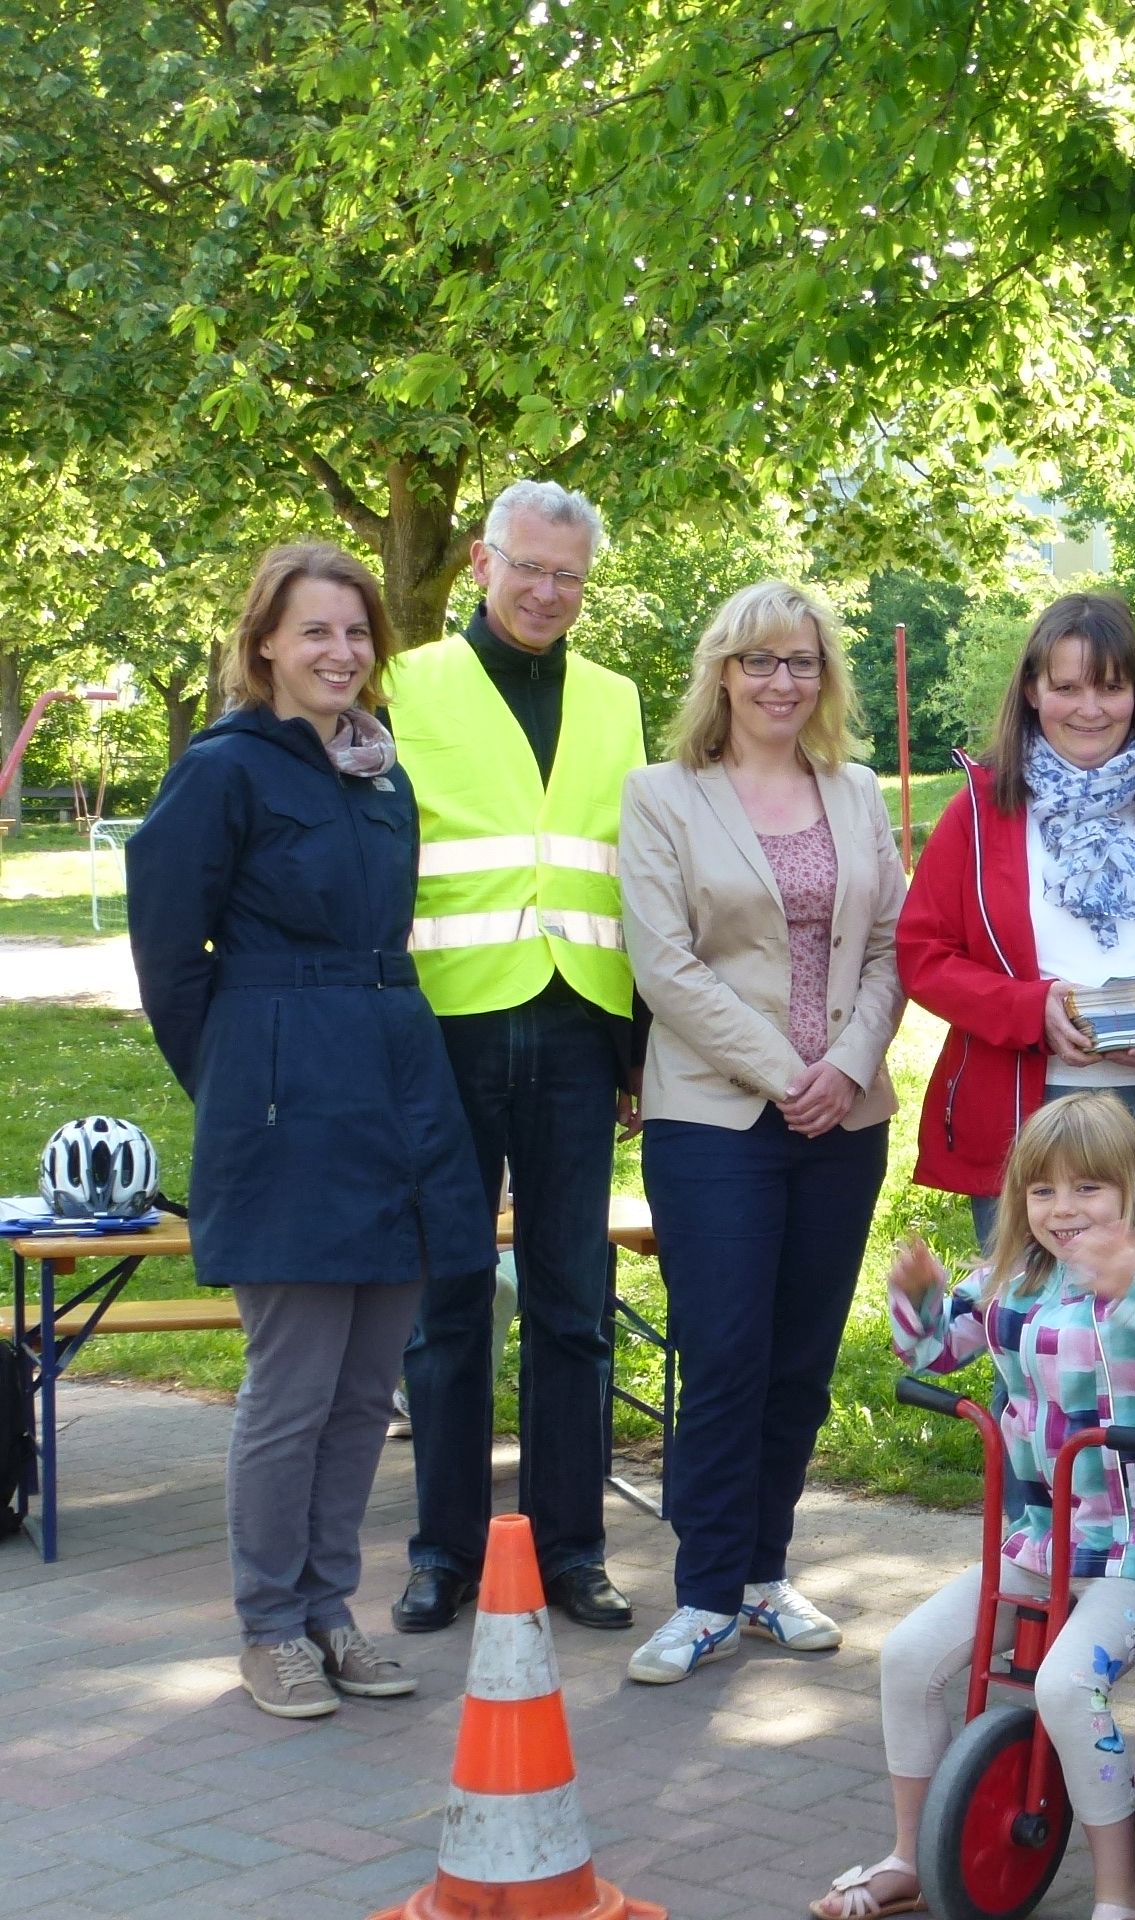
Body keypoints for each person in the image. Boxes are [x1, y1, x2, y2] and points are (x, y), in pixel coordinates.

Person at [128, 543, 491, 1718]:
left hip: (394, 1081)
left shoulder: (381, 774)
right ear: (266, 643)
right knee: (292, 1390)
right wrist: (246, 1073)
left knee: (364, 1386)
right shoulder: (223, 771)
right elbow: (170, 962)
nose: (340, 653)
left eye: (357, 634)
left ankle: (333, 1612)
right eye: (316, 632)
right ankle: (268, 1626)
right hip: (285, 1101)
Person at [810, 1095, 1135, 1920]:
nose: (1064, 1210)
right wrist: (919, 1296)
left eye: (1088, 1188)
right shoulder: (1017, 1281)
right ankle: (912, 1857)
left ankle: (1121, 1896)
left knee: (1063, 1686)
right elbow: (937, 1350)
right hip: (1045, 1535)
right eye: (1042, 1191)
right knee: (908, 1655)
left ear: (1133, 1191)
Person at [618, 581, 909, 1682]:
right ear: (722, 674)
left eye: (802, 662)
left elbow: (890, 948)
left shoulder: (856, 792)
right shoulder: (662, 796)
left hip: (845, 1116)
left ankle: (763, 1577)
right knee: (727, 1355)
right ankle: (700, 1594)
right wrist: (790, 1072)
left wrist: (843, 1067)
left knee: (799, 1363)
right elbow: (664, 965)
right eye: (759, 661)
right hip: (715, 1117)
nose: (781, 681)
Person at [384, 479, 647, 1636]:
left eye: (570, 576)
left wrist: (639, 1048)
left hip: (580, 1022)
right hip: (442, 1026)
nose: (547, 592)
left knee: (573, 1303)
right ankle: (440, 1552)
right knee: (448, 1305)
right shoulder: (405, 683)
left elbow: (632, 876)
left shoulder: (617, 698)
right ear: (484, 565)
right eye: (528, 567)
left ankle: (570, 1548)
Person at [896, 590, 1135, 1249]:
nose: (1090, 709)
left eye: (1110, 687)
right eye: (1067, 686)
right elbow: (923, 952)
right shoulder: (980, 811)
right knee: (1033, 1328)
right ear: (1033, 691)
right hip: (1025, 1112)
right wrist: (1027, 1009)